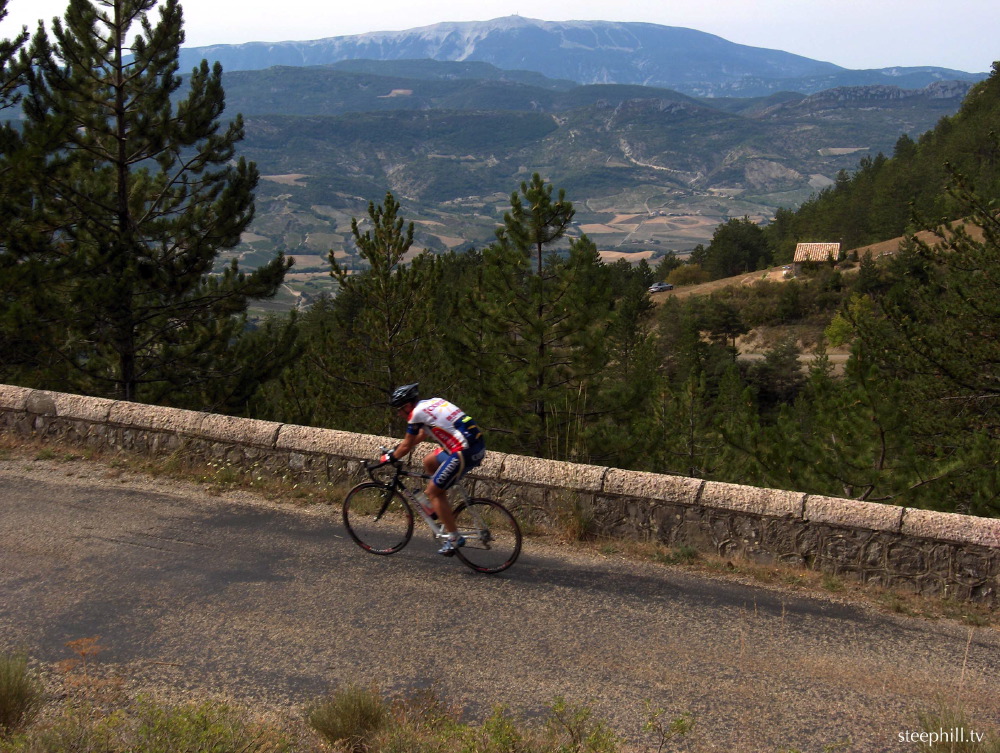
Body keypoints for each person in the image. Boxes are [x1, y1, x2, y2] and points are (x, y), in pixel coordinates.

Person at [382, 383, 486, 555]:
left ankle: (454, 538)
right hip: (473, 445)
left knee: (432, 491)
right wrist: (397, 449)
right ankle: (440, 503)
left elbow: (407, 444)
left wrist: (389, 457)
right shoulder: (433, 402)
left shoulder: (416, 414)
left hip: (464, 451)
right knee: (429, 461)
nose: (399, 414)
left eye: (400, 409)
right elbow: (421, 435)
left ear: (408, 406)